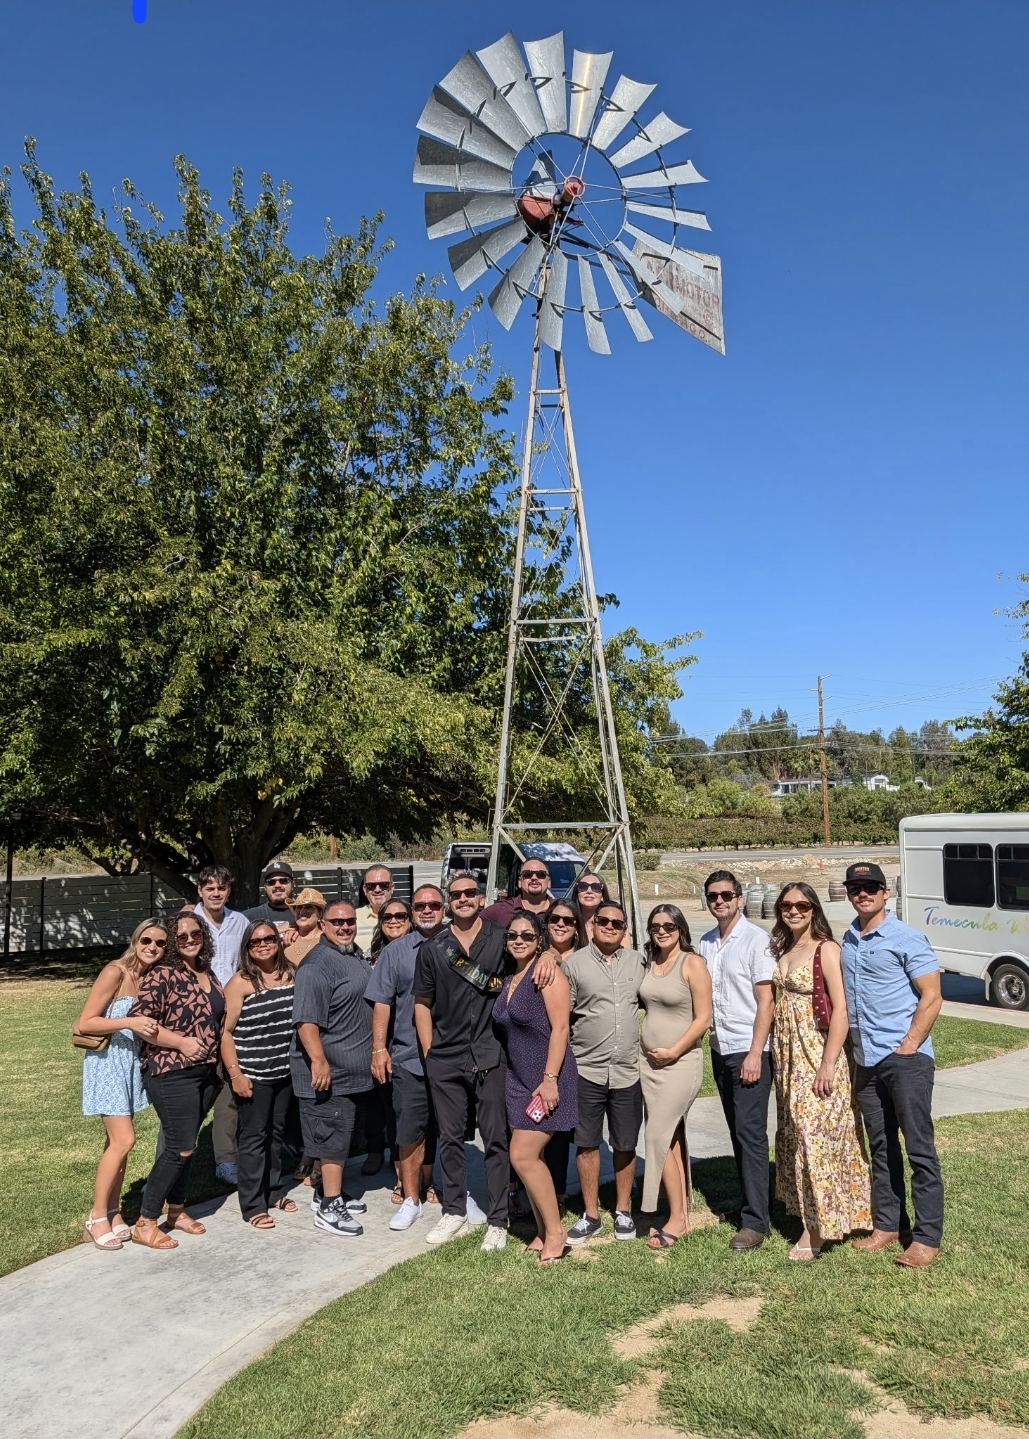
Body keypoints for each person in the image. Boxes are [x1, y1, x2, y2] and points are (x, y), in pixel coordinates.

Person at [415, 872, 555, 1251]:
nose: (463, 899)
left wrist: (548, 955)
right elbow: (422, 1004)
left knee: (496, 1140)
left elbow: (534, 947)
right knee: (450, 1139)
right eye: (456, 894)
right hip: (445, 1057)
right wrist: (430, 1053)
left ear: (481, 899)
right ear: (448, 902)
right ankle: (454, 1210)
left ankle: (497, 1218)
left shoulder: (502, 938)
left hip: (492, 1054)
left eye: (470, 893)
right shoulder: (433, 949)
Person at [841, 862, 944, 1268]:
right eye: (855, 887)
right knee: (881, 1147)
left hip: (905, 1060)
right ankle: (889, 1224)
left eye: (871, 887)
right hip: (865, 1061)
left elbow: (932, 996)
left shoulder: (907, 937)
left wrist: (910, 1045)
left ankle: (926, 1237)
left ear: (886, 893)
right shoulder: (848, 939)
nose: (862, 893)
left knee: (919, 1148)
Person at [771, 884, 871, 1259]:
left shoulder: (826, 948)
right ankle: (819, 1214)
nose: (793, 910)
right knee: (797, 1135)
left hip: (816, 1054)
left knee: (817, 1137)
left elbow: (841, 1009)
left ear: (814, 908)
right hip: (789, 1056)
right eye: (786, 905)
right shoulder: (785, 947)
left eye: (801, 905)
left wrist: (828, 1063)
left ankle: (816, 1230)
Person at [129, 911, 225, 1249]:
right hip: (171, 1072)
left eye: (194, 933)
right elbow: (141, 1021)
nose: (188, 939)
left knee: (189, 1146)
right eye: (180, 936)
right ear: (172, 941)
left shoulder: (206, 973)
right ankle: (145, 1221)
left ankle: (177, 1210)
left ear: (204, 936)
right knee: (179, 1146)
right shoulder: (163, 975)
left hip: (205, 1074)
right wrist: (182, 1042)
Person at [76, 918, 167, 1249]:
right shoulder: (116, 971)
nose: (152, 948)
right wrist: (129, 1021)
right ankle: (96, 1217)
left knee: (117, 1142)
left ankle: (114, 1211)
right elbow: (85, 1022)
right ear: (135, 940)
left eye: (159, 944)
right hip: (107, 1063)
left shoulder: (150, 978)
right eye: (146, 941)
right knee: (124, 1140)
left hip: (130, 1064)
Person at [493, 913, 578, 1263]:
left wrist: (550, 1079)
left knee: (523, 1155)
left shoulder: (547, 973)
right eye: (513, 935)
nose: (519, 940)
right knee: (533, 1157)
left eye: (527, 936)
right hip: (518, 1078)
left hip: (546, 1077)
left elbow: (561, 1029)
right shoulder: (511, 976)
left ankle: (557, 1233)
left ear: (539, 940)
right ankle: (543, 1231)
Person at [698, 870, 776, 1251]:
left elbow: (766, 1001)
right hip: (719, 1047)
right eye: (713, 896)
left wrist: (755, 1053)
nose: (720, 901)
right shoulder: (706, 943)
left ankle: (756, 1222)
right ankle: (753, 1199)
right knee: (736, 1132)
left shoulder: (757, 941)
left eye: (727, 895)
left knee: (750, 1133)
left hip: (750, 1050)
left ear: (740, 898)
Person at [563, 900, 646, 1244]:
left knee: (626, 1143)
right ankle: (591, 1214)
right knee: (586, 1144)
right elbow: (562, 1019)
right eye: (605, 921)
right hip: (586, 1069)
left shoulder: (638, 961)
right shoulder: (574, 965)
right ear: (592, 925)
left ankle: (623, 1210)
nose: (611, 927)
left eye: (618, 923)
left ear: (625, 929)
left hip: (628, 1069)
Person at [365, 884, 447, 1230]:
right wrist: (379, 1048)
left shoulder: (457, 946)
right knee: (409, 1129)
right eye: (420, 905)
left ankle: (442, 1188)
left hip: (450, 1056)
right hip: (409, 1056)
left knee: (445, 1128)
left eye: (434, 904)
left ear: (444, 908)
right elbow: (382, 1002)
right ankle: (411, 1197)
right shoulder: (396, 952)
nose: (427, 910)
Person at [291, 900, 373, 1238]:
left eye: (350, 921)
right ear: (323, 925)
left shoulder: (350, 954)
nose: (345, 927)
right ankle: (329, 1207)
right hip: (328, 1071)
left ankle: (326, 1193)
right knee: (331, 1140)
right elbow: (306, 1021)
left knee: (337, 1139)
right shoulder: (316, 965)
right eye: (337, 922)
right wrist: (320, 1061)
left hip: (349, 1071)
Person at [639, 904, 712, 1250]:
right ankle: (681, 1213)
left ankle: (676, 1218)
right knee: (670, 1137)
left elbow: (703, 1018)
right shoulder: (650, 963)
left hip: (681, 1062)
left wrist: (674, 1050)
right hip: (649, 1065)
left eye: (669, 925)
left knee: (657, 1135)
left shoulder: (691, 963)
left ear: (680, 928)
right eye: (656, 926)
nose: (662, 931)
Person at [221, 921, 299, 1227]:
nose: (263, 944)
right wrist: (235, 1074)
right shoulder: (240, 982)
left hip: (284, 1071)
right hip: (253, 1072)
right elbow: (225, 1033)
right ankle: (253, 1204)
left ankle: (273, 1190)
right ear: (247, 948)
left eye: (269, 938)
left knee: (276, 1133)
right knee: (254, 1136)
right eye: (255, 942)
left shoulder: (290, 974)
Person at [193, 864, 249, 1184]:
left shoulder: (239, 921)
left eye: (222, 888)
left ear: (229, 890)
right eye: (210, 887)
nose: (216, 893)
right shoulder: (189, 922)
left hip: (231, 1016)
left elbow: (246, 964)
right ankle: (176, 1152)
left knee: (230, 1088)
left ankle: (225, 1159)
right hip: (196, 1018)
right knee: (195, 1089)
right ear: (199, 891)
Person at [535, 899, 585, 1207]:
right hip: (543, 1048)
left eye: (569, 920)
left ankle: (559, 1191)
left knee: (567, 1128)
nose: (561, 924)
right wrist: (547, 953)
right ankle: (535, 1188)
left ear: (577, 927)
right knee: (543, 1123)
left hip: (580, 1048)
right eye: (555, 918)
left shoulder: (584, 958)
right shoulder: (539, 957)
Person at [361, 899, 412, 1176]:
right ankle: (379, 1152)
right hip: (380, 1037)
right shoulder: (372, 953)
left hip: (409, 1035)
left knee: (405, 1106)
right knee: (382, 1102)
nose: (394, 920)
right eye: (387, 916)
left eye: (400, 915)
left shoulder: (421, 949)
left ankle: (406, 1164)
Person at [482, 858, 552, 928]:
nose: (534, 878)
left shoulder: (560, 910)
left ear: (549, 882)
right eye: (527, 874)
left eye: (541, 874)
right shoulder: (501, 910)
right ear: (519, 882)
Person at [243, 861, 296, 930]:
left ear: (293, 885)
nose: (277, 885)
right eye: (271, 882)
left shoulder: (306, 915)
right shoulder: (248, 917)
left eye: (284, 880)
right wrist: (276, 930)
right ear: (265, 887)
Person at [355, 864, 395, 951]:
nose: (377, 890)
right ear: (365, 890)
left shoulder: (405, 916)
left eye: (384, 885)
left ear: (392, 888)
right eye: (371, 886)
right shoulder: (353, 918)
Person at [283, 887, 327, 965]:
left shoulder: (326, 940)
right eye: (299, 907)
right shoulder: (287, 939)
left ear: (320, 914)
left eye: (309, 907)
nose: (302, 911)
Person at [574, 871, 611, 943]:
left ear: (602, 896)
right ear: (577, 893)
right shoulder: (568, 923)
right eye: (583, 886)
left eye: (596, 887)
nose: (589, 891)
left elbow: (626, 953)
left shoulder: (614, 924)